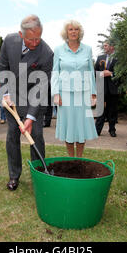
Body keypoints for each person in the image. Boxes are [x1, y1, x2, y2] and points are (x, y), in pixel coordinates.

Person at [0, 14, 53, 191]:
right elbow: (3, 67)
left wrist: (30, 117)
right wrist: (6, 91)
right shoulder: (9, 41)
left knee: (35, 136)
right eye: (31, 39)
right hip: (12, 99)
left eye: (38, 38)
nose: (35, 42)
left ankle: (39, 173)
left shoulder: (46, 53)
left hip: (34, 100)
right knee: (12, 136)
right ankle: (14, 176)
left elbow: (41, 87)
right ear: (21, 35)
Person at [51, 20, 97, 157]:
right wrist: (55, 93)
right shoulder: (59, 50)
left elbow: (91, 72)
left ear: (79, 32)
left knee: (81, 126)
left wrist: (93, 93)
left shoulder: (87, 49)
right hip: (64, 95)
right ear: (66, 32)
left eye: (76, 29)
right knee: (68, 126)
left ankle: (80, 158)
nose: (73, 32)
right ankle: (71, 159)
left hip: (83, 93)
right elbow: (55, 72)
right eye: (70, 29)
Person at [95, 41, 119, 137]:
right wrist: (101, 74)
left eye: (106, 45)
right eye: (104, 45)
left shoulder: (119, 59)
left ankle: (112, 130)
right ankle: (97, 130)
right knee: (100, 110)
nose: (104, 47)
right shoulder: (100, 58)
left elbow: (122, 74)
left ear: (112, 46)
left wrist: (111, 74)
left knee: (112, 111)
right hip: (101, 88)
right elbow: (95, 71)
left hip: (113, 89)